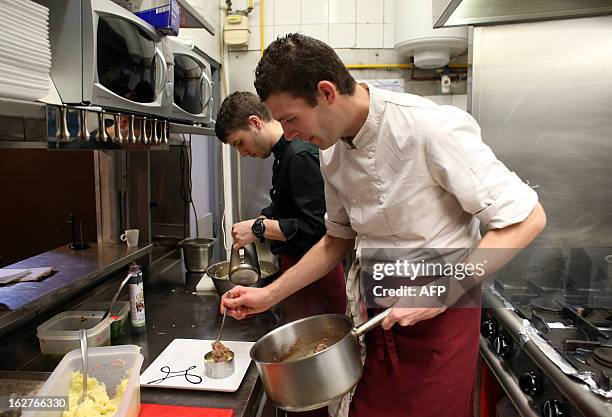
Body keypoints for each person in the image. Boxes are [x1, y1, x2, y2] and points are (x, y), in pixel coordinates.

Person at [221, 34, 547, 417]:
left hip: (440, 325)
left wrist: (440, 292)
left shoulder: (428, 128)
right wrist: (269, 295)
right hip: (374, 321)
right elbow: (335, 240)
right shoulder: (332, 153)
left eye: (291, 119)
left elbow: (526, 219)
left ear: (326, 93)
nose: (288, 134)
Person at [215, 91, 346, 322]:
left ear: (255, 123)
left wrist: (259, 228)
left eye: (239, 143)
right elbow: (283, 205)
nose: (242, 153)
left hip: (317, 279)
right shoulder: (283, 155)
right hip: (299, 275)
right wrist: (259, 221)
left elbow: (317, 229)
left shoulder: (299, 155)